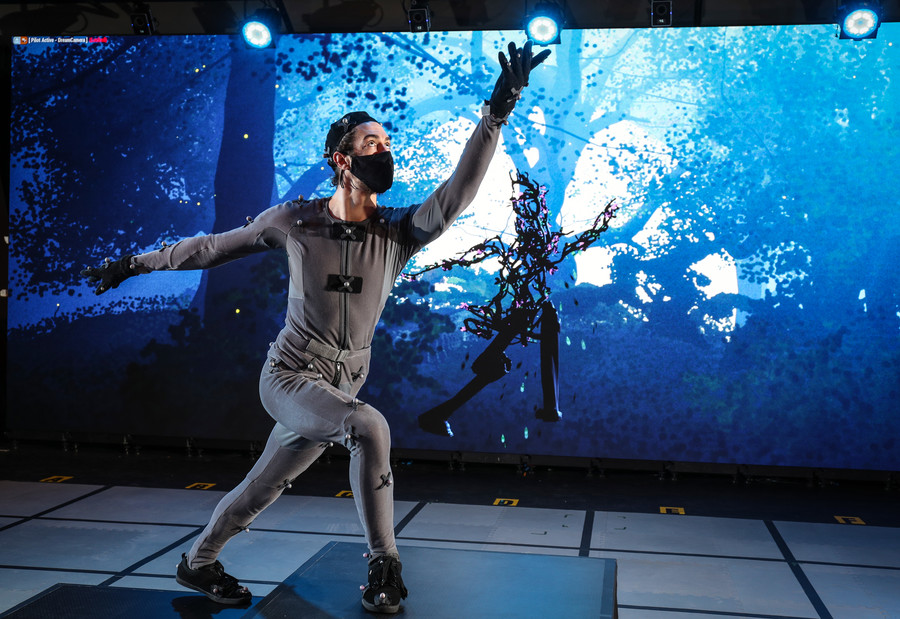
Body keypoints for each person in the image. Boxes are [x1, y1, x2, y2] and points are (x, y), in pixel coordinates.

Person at [82, 40, 550, 614]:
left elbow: (457, 193)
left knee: (263, 487)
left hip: (340, 385)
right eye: (371, 142)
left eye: (387, 143)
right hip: (289, 375)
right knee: (370, 428)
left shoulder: (398, 232)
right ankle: (384, 566)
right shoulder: (294, 221)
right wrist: (134, 264)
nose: (384, 150)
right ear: (342, 160)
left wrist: (495, 115)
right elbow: (210, 248)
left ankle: (198, 563)